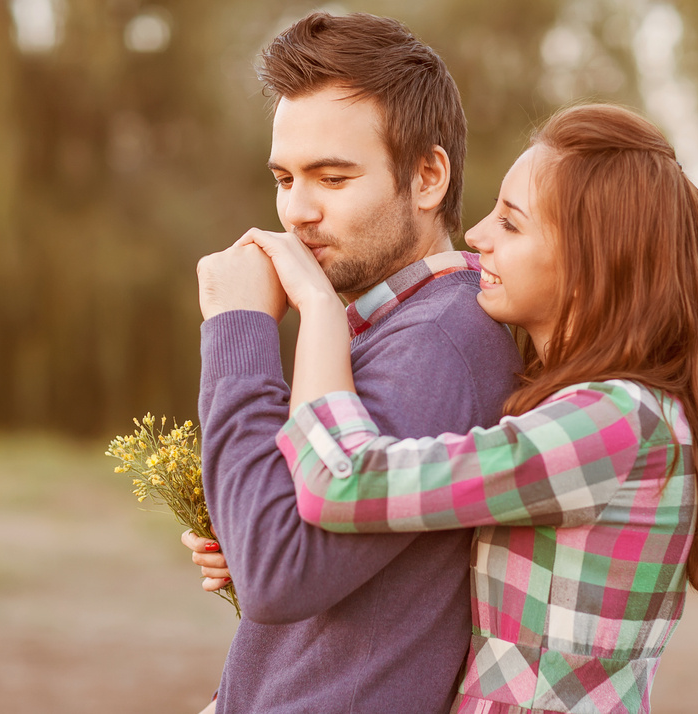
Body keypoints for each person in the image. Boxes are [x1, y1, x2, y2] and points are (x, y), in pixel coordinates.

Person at [242, 103, 698, 713]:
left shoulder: (611, 423)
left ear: (592, 262)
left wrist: (320, 309)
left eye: (511, 224)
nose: (478, 235)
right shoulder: (588, 411)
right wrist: (255, 532)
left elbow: (344, 480)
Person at [188, 11, 523, 714]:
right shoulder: (390, 327)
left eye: (332, 178)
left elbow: (279, 574)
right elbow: (293, 552)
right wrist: (242, 524)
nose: (296, 212)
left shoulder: (441, 339)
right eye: (285, 178)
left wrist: (237, 327)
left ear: (427, 176)